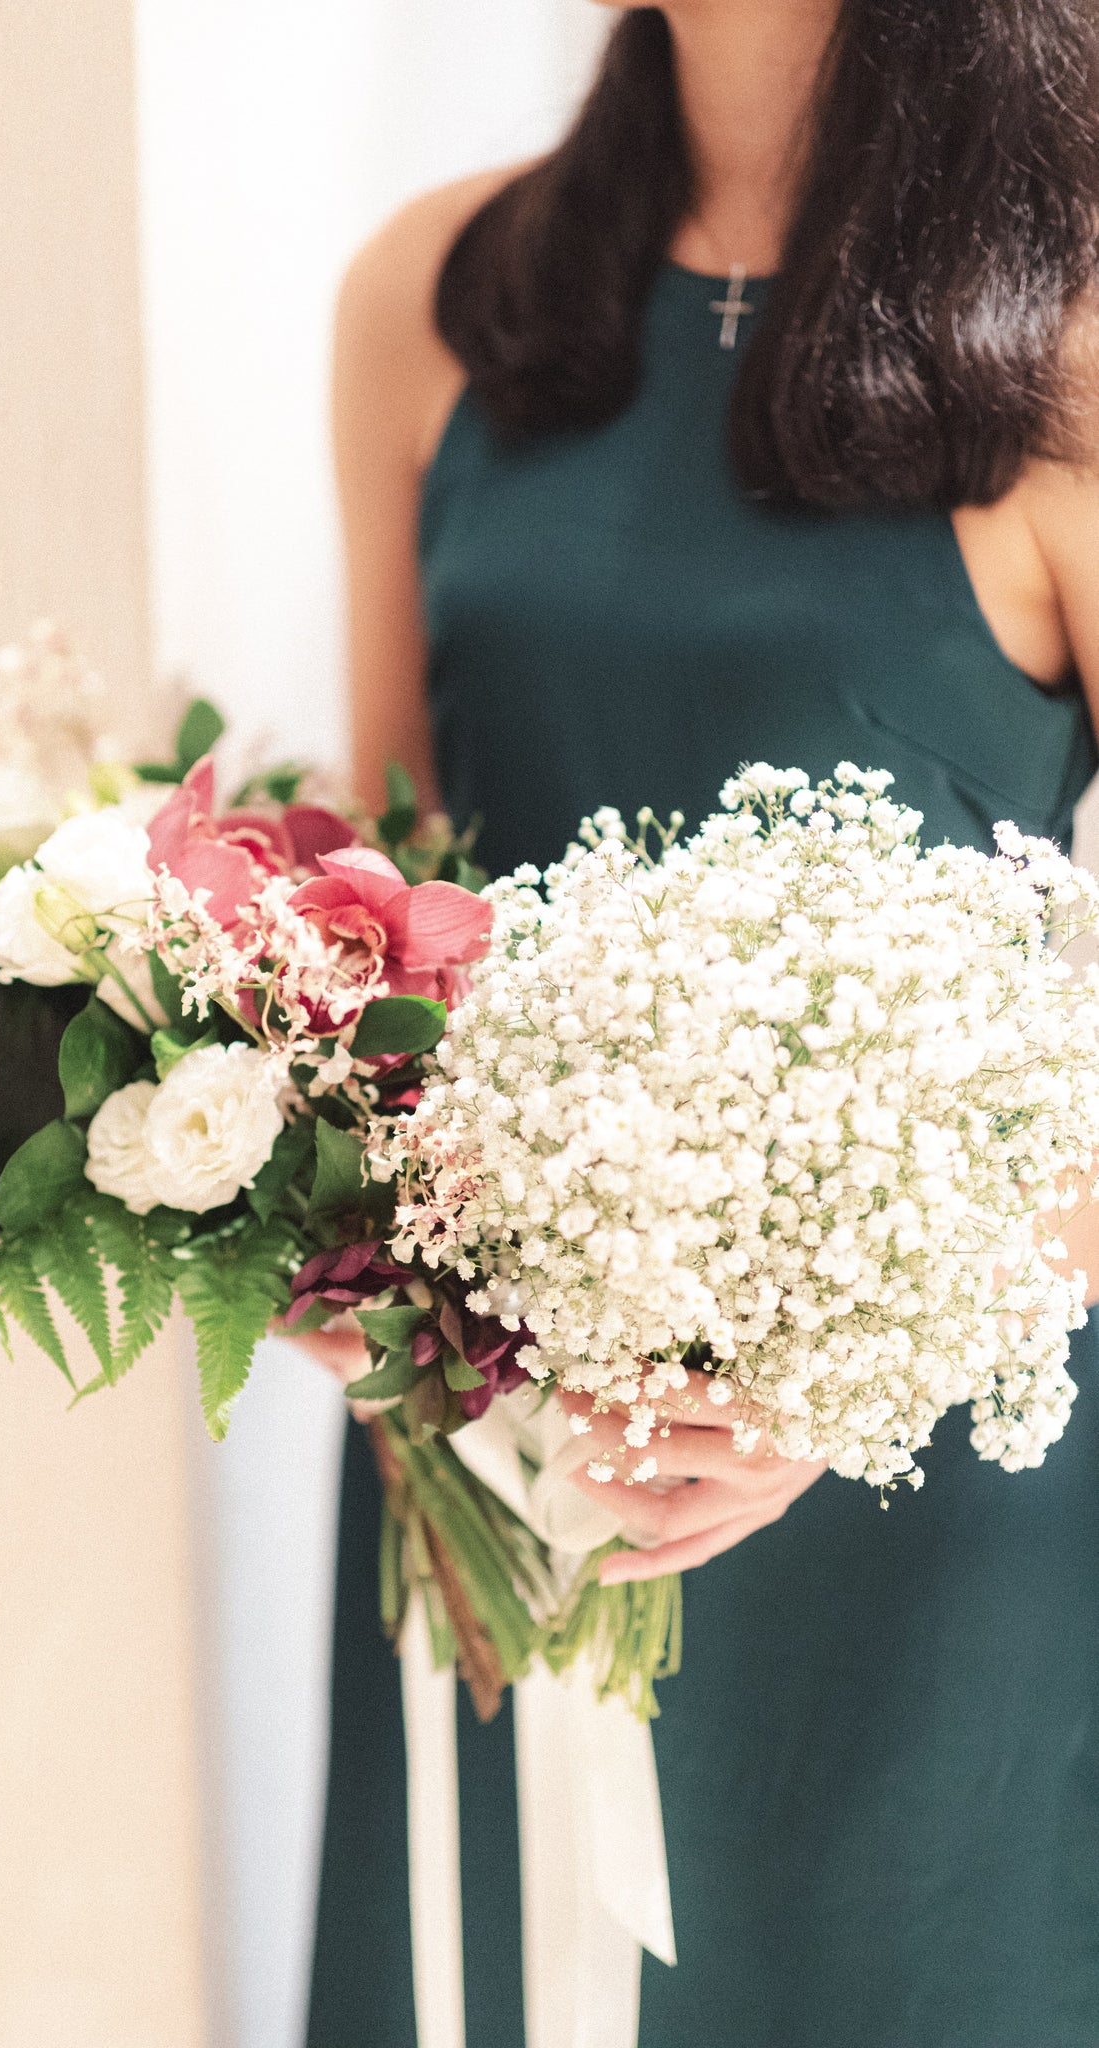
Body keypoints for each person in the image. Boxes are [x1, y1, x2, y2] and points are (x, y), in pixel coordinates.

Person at [302, 2, 1099, 2041]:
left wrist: (833, 1385)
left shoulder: (1072, 336)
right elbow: (380, 876)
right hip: (487, 1459)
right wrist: (331, 1242)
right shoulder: (434, 294)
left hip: (917, 1507)